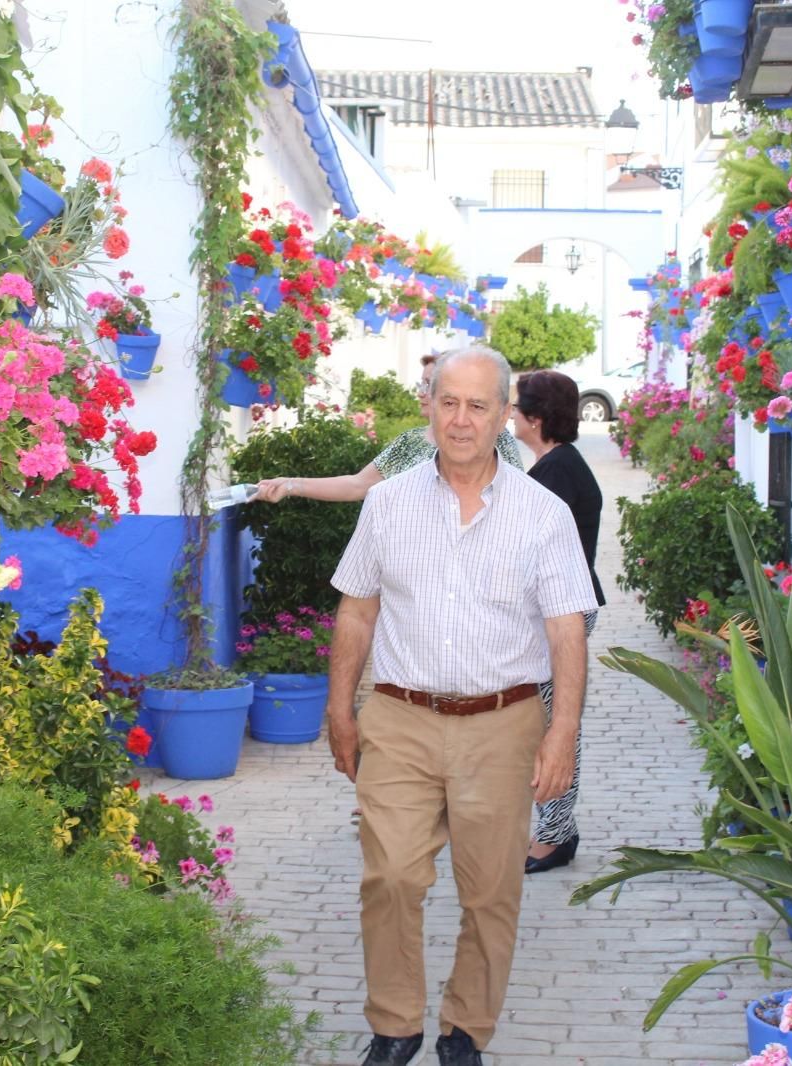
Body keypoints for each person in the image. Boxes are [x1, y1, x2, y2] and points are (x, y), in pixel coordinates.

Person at [327, 347, 598, 1066]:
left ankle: (465, 1031)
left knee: (490, 892)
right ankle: (394, 1025)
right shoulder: (388, 503)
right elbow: (357, 612)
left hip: (503, 724)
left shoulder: (543, 513)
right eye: (449, 402)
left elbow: (567, 628)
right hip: (399, 715)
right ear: (428, 406)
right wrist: (339, 709)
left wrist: (561, 732)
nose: (462, 419)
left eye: (479, 405)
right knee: (390, 876)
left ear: (505, 414)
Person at [510, 369, 606, 875]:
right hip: (556, 612)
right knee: (544, 724)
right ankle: (554, 830)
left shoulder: (557, 473)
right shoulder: (559, 466)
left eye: (515, 408)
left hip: (560, 616)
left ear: (535, 419)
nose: (509, 416)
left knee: (554, 728)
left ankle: (555, 835)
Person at [249, 353, 521, 507]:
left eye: (431, 385)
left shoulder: (494, 439)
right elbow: (358, 484)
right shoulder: (409, 442)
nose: (423, 393)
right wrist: (291, 485)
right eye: (423, 384)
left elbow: (515, 497)